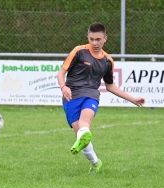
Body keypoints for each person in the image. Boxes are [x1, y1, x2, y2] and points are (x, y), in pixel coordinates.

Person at [57, 22, 145, 173]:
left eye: (98, 39)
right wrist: (63, 87)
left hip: (91, 94)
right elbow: (60, 73)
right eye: (91, 39)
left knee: (86, 121)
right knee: (81, 135)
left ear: (105, 39)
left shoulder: (107, 61)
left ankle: (84, 135)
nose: (94, 43)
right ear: (88, 38)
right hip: (71, 96)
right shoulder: (79, 51)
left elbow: (110, 86)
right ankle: (95, 162)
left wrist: (132, 99)